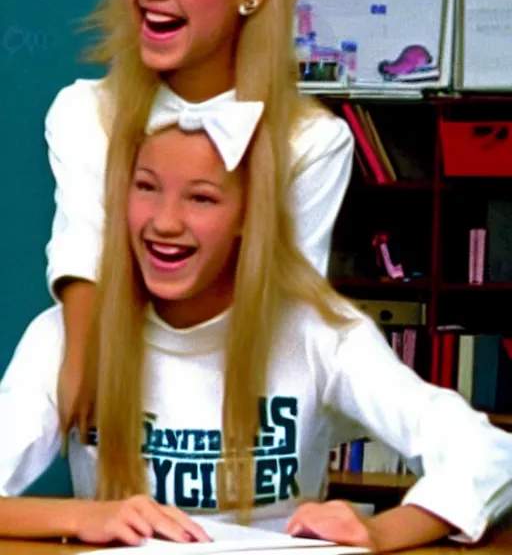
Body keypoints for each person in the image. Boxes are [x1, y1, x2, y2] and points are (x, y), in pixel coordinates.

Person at [1, 101, 511, 550]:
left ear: (250, 216)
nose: (164, 221)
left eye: (201, 198)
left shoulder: (319, 332)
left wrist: (379, 532)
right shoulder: (64, 336)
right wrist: (85, 515)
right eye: (146, 188)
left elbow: (491, 455)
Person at [43, 0, 354, 432]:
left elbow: (292, 315)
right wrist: (83, 359)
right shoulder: (85, 112)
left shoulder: (311, 142)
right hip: (124, 464)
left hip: (252, 437)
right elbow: (82, 242)